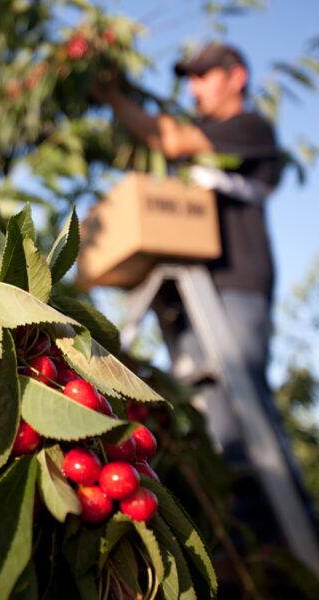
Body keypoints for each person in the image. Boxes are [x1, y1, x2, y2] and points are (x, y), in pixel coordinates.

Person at [90, 42, 314, 537]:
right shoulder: (209, 138)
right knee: (216, 425)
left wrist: (113, 97)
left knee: (246, 412)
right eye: (189, 78)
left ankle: (291, 541)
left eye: (203, 75)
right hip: (194, 296)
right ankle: (249, 544)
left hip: (236, 285)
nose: (193, 87)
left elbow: (168, 139)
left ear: (237, 76)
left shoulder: (248, 127)